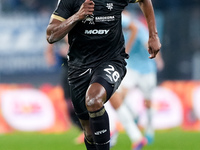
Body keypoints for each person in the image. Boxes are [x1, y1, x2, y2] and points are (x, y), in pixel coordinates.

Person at [46, 0, 161, 149]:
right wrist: (77, 16)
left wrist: (153, 35)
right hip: (79, 66)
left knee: (94, 100)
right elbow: (51, 35)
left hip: (112, 60)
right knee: (89, 132)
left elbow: (144, 1)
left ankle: (138, 132)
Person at [109, 10, 164, 149]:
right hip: (132, 68)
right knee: (118, 95)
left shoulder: (130, 23)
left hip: (147, 69)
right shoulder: (119, 27)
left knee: (148, 101)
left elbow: (150, 42)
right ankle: (131, 118)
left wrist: (158, 59)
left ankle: (150, 129)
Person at [45, 36, 84, 144]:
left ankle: (90, 130)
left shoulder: (71, 32)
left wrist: (67, 38)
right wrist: (49, 53)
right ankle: (84, 131)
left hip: (77, 68)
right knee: (68, 104)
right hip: (66, 69)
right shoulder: (58, 32)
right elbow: (50, 38)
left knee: (79, 101)